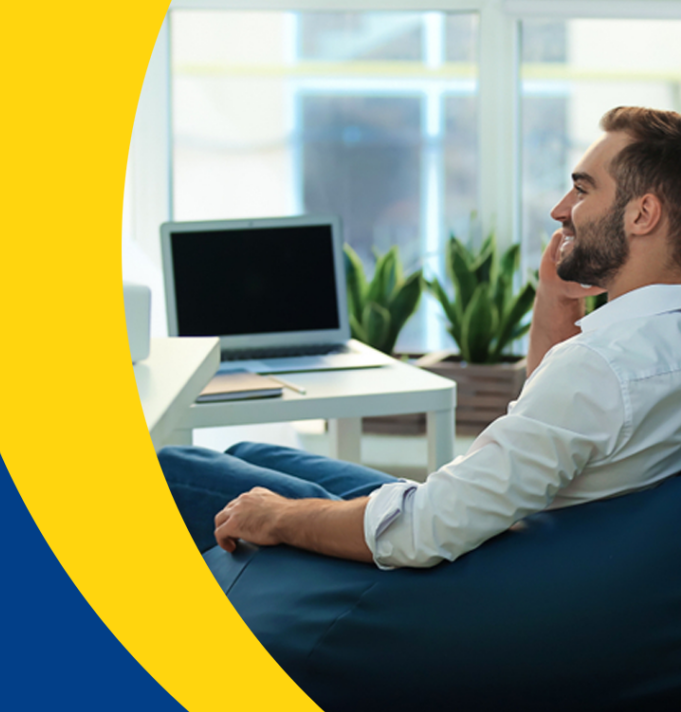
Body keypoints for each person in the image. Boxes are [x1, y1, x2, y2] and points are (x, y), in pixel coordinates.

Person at [159, 106, 681, 569]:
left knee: (176, 470)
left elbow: (425, 530)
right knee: (255, 452)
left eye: (583, 188)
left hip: (467, 557)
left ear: (642, 215)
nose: (561, 209)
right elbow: (557, 423)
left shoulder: (600, 366)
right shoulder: (648, 347)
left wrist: (279, 519)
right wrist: (555, 299)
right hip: (499, 522)